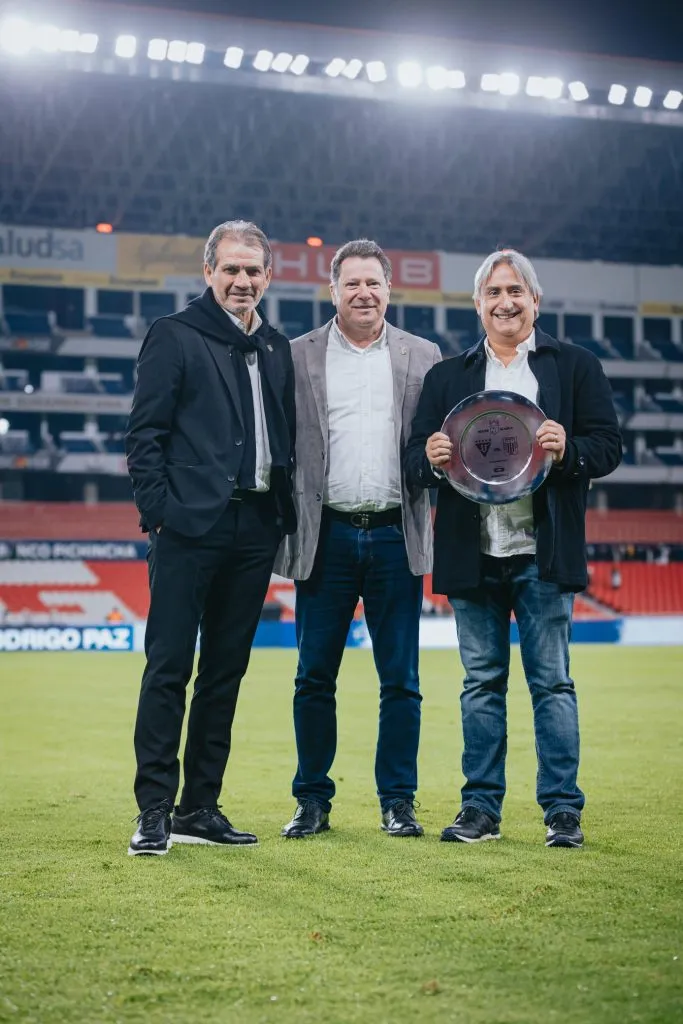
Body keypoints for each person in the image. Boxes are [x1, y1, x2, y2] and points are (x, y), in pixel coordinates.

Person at [405, 248, 622, 849]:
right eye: (493, 293)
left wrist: (568, 449)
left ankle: (562, 811)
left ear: (534, 300)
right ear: (478, 304)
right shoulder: (447, 378)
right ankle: (480, 810)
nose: (505, 302)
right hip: (472, 553)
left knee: (551, 683)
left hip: (542, 552)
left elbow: (607, 446)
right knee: (480, 684)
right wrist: (429, 458)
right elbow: (413, 463)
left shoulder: (574, 366)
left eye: (515, 291)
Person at [125, 220, 296, 856]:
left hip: (253, 529)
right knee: (168, 668)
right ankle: (153, 809)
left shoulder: (276, 347)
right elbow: (144, 435)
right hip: (188, 528)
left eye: (253, 271)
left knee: (224, 674)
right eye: (231, 269)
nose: (242, 281)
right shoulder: (173, 336)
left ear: (268, 277)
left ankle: (200, 805)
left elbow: (286, 435)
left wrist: (278, 515)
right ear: (209, 272)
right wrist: (160, 515)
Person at [275, 239, 441, 839]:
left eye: (373, 283)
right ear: (334, 289)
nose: (363, 293)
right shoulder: (297, 356)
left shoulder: (424, 355)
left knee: (401, 680)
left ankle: (398, 800)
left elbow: (435, 447)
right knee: (313, 677)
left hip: (398, 535)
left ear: (388, 289)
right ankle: (312, 800)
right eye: (352, 284)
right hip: (327, 535)